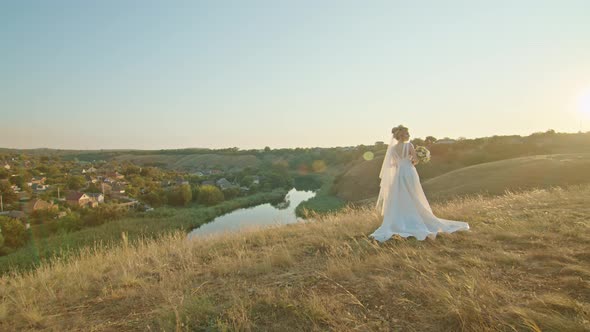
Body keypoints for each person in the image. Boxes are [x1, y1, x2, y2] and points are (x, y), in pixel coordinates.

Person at [370, 125, 469, 241]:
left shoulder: (392, 149)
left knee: (401, 196)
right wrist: (419, 158)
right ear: (402, 136)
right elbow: (415, 160)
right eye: (407, 134)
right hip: (409, 172)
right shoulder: (409, 145)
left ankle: (401, 219)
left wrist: (402, 162)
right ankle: (416, 217)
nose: (409, 135)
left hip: (399, 174)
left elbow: (393, 164)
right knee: (414, 194)